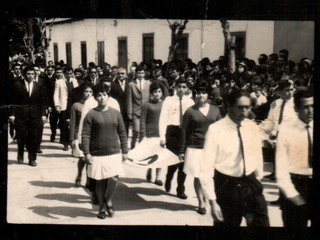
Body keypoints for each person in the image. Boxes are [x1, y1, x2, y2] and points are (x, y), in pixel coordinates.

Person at [200, 89, 269, 228]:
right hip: (227, 188)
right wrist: (213, 202)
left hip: (251, 185)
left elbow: (257, 155)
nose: (244, 112)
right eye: (239, 107)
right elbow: (206, 168)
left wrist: (257, 179)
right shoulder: (216, 130)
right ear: (229, 106)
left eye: (247, 107)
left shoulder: (252, 127)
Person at [82, 82, 128, 219]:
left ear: (108, 96)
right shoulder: (91, 114)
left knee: (114, 179)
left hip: (113, 151)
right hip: (97, 153)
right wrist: (87, 153)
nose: (101, 97)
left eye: (104, 95)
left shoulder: (116, 113)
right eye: (99, 95)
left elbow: (122, 132)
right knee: (100, 181)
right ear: (95, 98)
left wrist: (125, 150)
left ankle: (108, 200)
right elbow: (86, 135)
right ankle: (101, 207)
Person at [276, 88, 313, 240]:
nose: (310, 110)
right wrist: (294, 196)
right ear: (297, 108)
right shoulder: (286, 131)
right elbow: (281, 170)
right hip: (295, 186)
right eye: (306, 107)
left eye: (313, 106)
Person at [180, 81, 222, 214]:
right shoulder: (189, 112)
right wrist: (181, 150)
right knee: (198, 176)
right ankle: (201, 203)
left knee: (210, 176)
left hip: (211, 148)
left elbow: (221, 128)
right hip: (195, 148)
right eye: (198, 92)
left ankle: (208, 196)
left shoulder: (215, 110)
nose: (200, 95)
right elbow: (184, 131)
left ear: (208, 95)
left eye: (203, 92)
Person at [159, 78, 194, 199]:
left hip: (184, 133)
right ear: (175, 87)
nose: (181, 89)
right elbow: (163, 118)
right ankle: (169, 177)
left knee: (183, 163)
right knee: (173, 161)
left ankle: (180, 189)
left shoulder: (190, 102)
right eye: (179, 87)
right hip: (172, 132)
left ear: (187, 89)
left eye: (184, 87)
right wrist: (162, 137)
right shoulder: (168, 100)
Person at [9, 66, 47, 167]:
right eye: (28, 74)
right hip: (21, 115)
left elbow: (42, 102)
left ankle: (32, 159)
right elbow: (13, 101)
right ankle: (20, 154)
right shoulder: (17, 85)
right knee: (21, 136)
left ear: (34, 75)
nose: (30, 76)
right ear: (24, 74)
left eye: (32, 74)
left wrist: (43, 114)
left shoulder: (38, 85)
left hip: (35, 116)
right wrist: (12, 114)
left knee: (33, 137)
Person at [140, 82, 165, 186]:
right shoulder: (146, 105)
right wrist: (143, 135)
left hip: (161, 134)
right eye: (155, 92)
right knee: (151, 155)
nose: (157, 94)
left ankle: (158, 177)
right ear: (151, 93)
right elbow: (142, 120)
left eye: (159, 92)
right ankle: (150, 169)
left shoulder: (164, 104)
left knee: (160, 156)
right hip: (150, 134)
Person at [69, 83, 94, 187]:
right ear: (82, 93)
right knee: (82, 158)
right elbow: (73, 123)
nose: (88, 94)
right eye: (86, 91)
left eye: (90, 92)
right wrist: (72, 139)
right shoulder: (76, 106)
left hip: (91, 135)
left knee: (90, 158)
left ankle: (89, 179)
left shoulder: (94, 105)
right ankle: (79, 175)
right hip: (78, 135)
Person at [53, 66, 78, 151]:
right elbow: (56, 94)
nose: (69, 75)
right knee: (63, 125)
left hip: (72, 105)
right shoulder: (59, 82)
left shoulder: (74, 81)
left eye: (71, 73)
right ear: (64, 73)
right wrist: (57, 105)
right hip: (63, 105)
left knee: (72, 124)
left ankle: (72, 142)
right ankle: (65, 143)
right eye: (67, 73)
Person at [127, 66, 151, 149]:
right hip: (135, 111)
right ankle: (133, 146)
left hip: (145, 111)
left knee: (143, 132)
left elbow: (150, 97)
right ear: (136, 74)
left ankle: (140, 150)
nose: (141, 75)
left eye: (142, 73)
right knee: (136, 130)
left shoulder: (148, 83)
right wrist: (130, 113)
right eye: (139, 73)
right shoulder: (131, 84)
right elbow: (129, 99)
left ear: (144, 74)